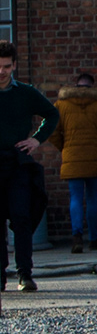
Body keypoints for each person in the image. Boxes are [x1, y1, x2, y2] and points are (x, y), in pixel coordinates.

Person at [0, 45, 57, 294]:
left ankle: (25, 274)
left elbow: (52, 114)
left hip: (17, 163)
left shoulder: (24, 93)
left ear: (14, 66)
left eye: (6, 66)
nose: (1, 71)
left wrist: (36, 139)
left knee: (22, 218)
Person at [55, 69, 97, 251]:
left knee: (75, 197)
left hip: (72, 157)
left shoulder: (62, 104)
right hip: (94, 157)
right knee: (92, 199)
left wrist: (65, 147)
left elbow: (52, 130)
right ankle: (94, 239)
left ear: (76, 84)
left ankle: (76, 238)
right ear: (92, 85)